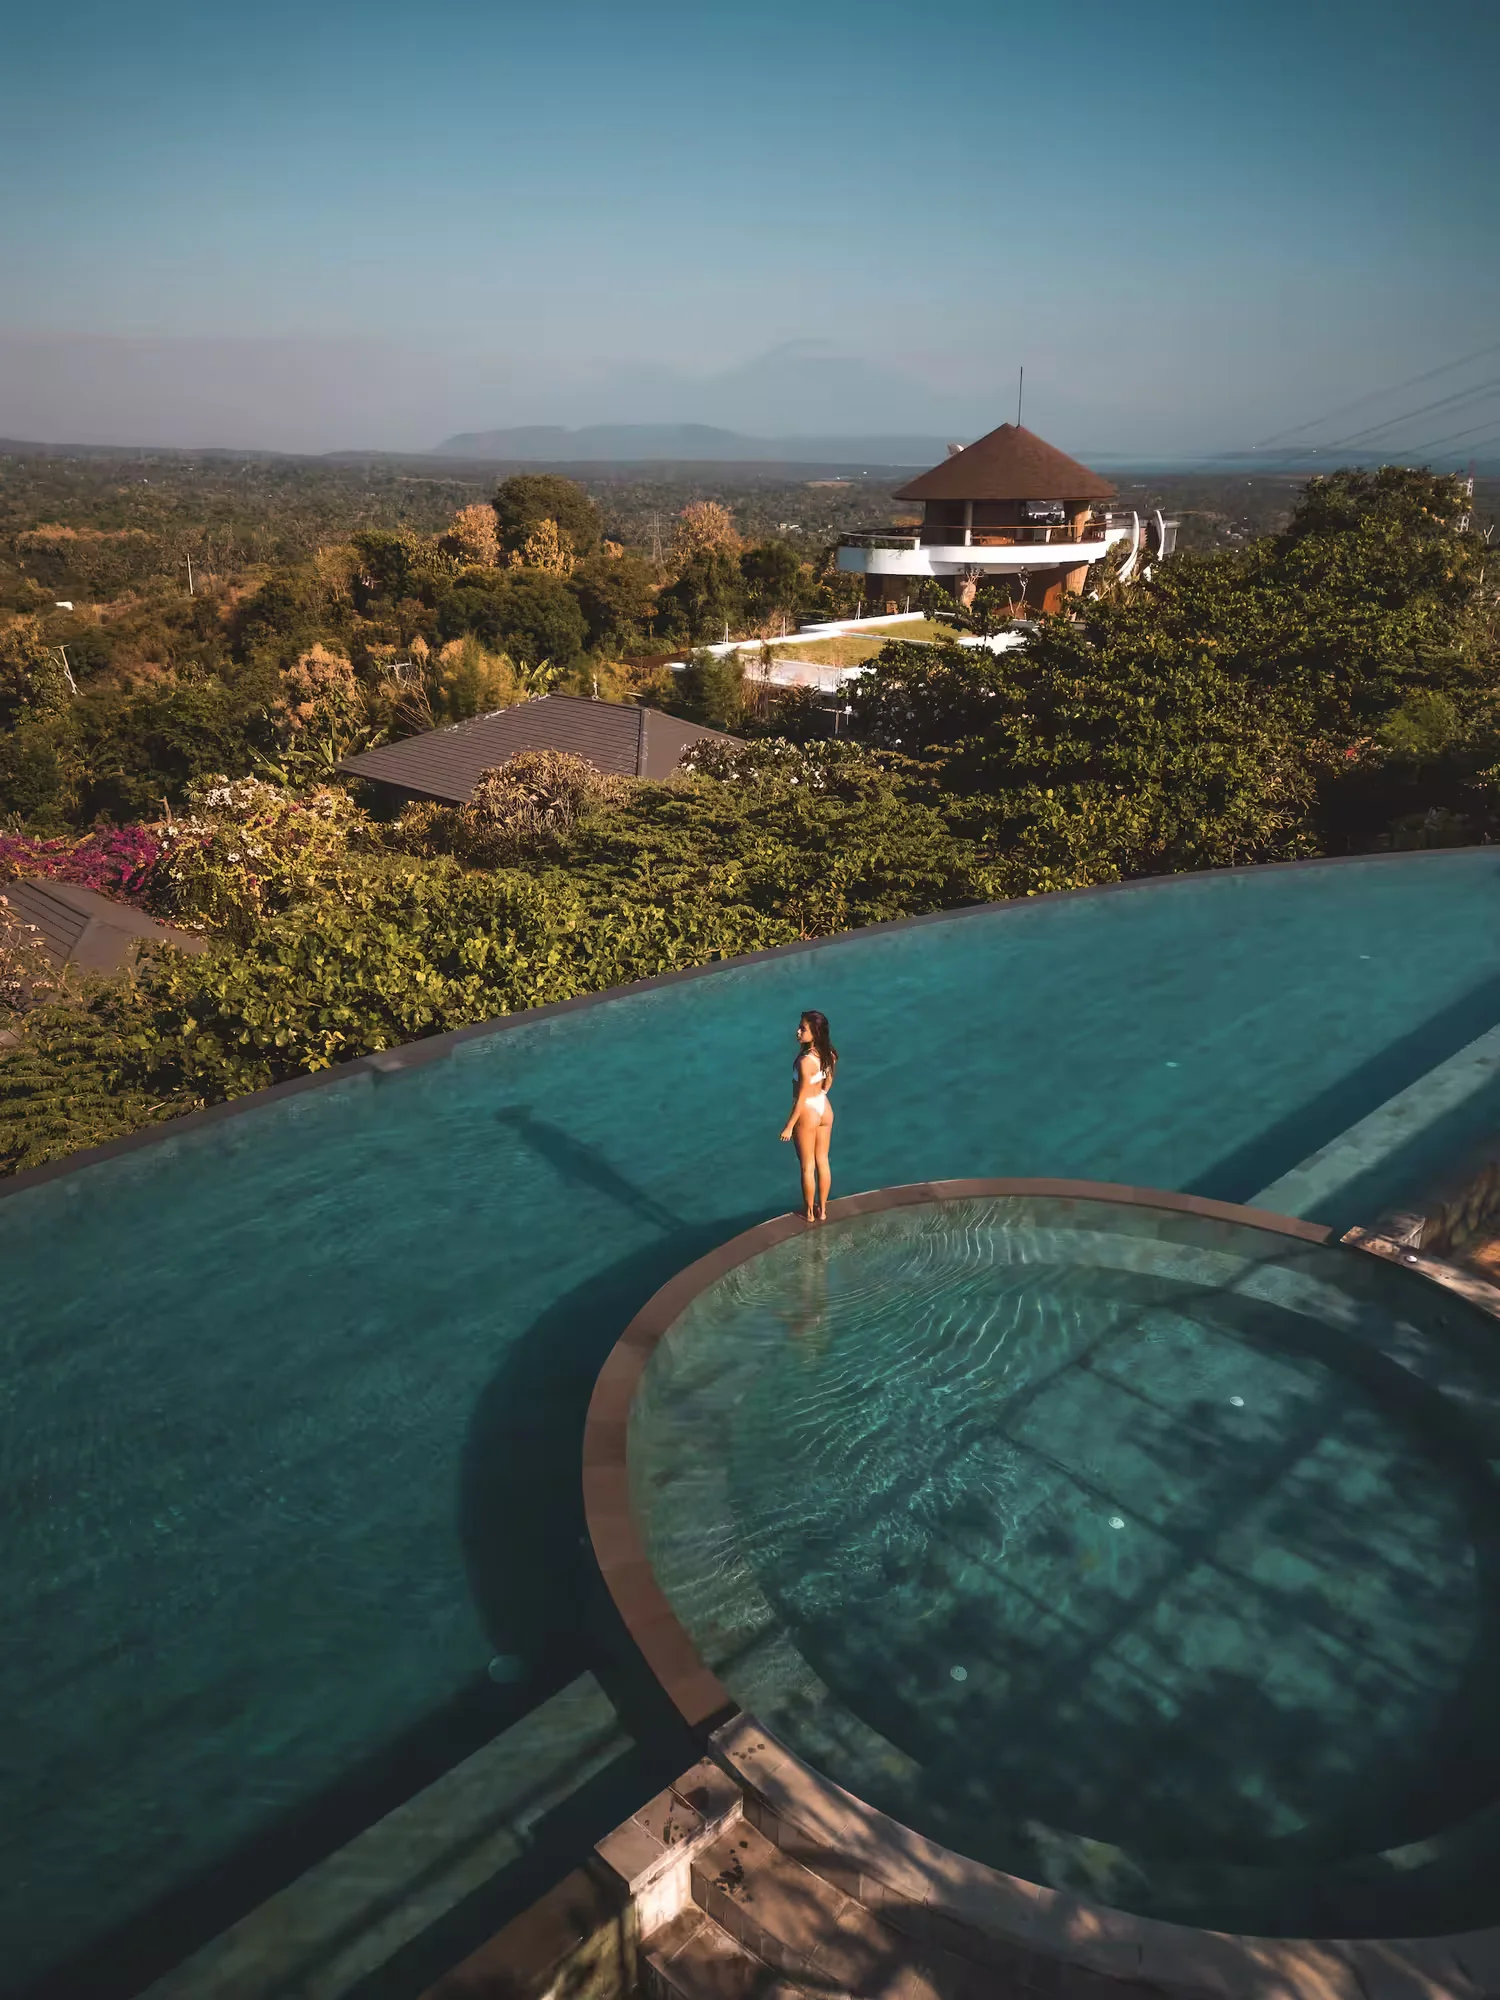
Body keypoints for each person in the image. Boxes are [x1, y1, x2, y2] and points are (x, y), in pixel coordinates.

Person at [780, 1010, 837, 1222]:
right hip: (824, 1107)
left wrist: (789, 1126)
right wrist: (821, 1095)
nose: (798, 1031)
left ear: (815, 1032)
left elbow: (801, 1096)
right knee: (823, 1160)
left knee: (807, 1166)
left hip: (808, 1112)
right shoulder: (829, 1054)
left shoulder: (804, 1062)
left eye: (803, 1028)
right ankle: (823, 1210)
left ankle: (810, 1214)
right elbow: (829, 1081)